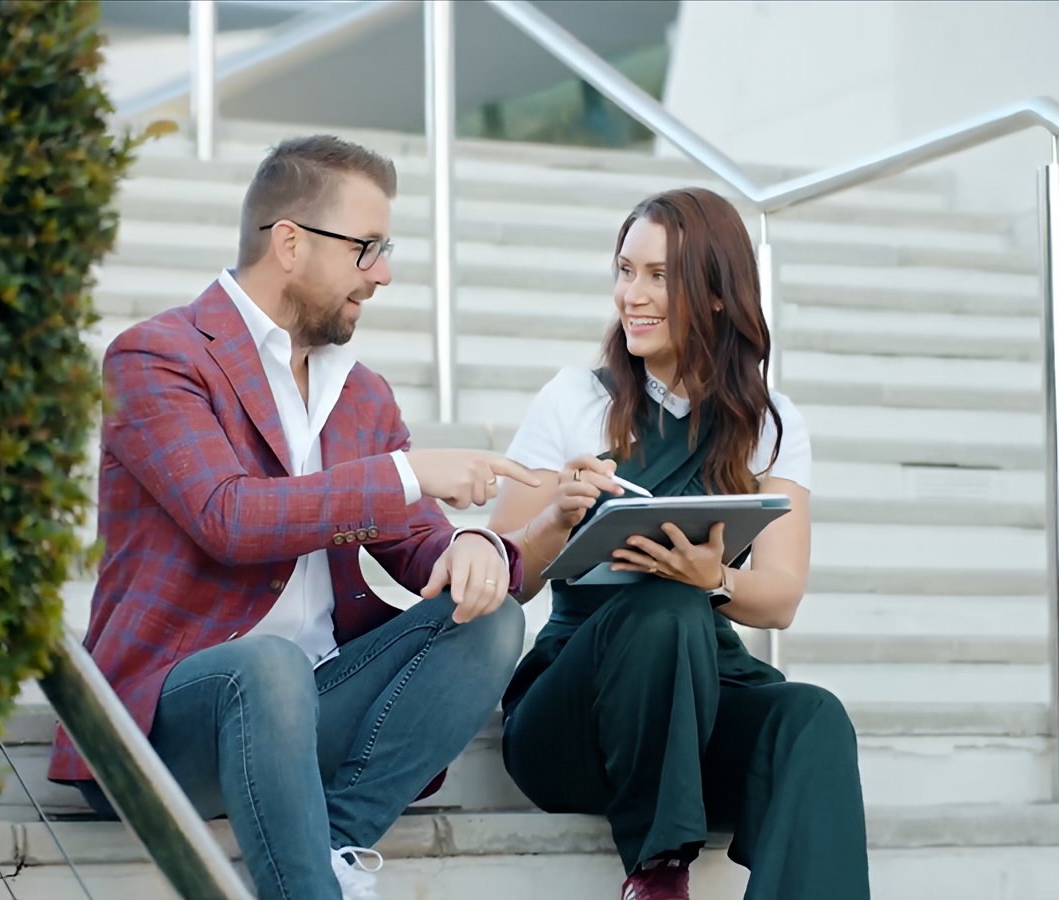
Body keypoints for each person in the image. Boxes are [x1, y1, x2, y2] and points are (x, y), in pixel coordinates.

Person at [47, 134, 538, 900]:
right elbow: (227, 518)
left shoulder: (362, 392)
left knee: (491, 620)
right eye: (367, 248)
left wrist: (472, 545)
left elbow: (418, 544)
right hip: (167, 724)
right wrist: (406, 473)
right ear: (289, 243)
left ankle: (333, 845)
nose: (383, 273)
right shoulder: (157, 357)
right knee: (268, 665)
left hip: (314, 708)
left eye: (387, 248)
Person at [486, 187, 870, 900]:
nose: (633, 294)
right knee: (665, 608)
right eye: (625, 271)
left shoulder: (770, 424)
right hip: (576, 713)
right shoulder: (575, 400)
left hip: (702, 695)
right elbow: (499, 574)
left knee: (813, 718)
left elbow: (781, 598)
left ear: (718, 294)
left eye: (659, 276)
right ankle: (660, 869)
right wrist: (555, 521)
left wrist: (714, 578)